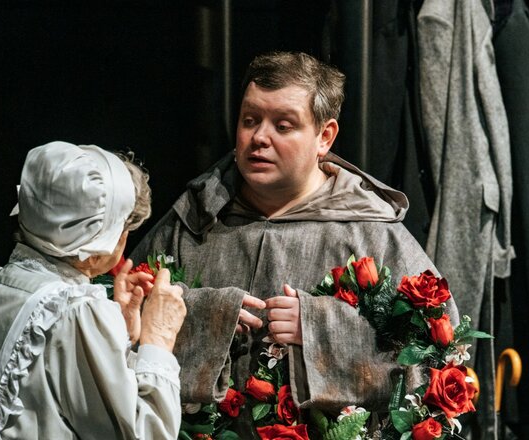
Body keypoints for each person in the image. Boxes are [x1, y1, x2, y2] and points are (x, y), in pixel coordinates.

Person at [130, 52, 459, 436]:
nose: (259, 137)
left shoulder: (372, 233)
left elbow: (443, 359)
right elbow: (120, 317)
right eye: (249, 120)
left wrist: (321, 328)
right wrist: (208, 317)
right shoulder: (194, 219)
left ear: (325, 137)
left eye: (283, 125)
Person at [0, 141, 187, 439]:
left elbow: (43, 399)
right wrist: (158, 340)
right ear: (99, 245)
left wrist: (118, 333)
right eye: (124, 230)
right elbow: (142, 433)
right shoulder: (74, 310)